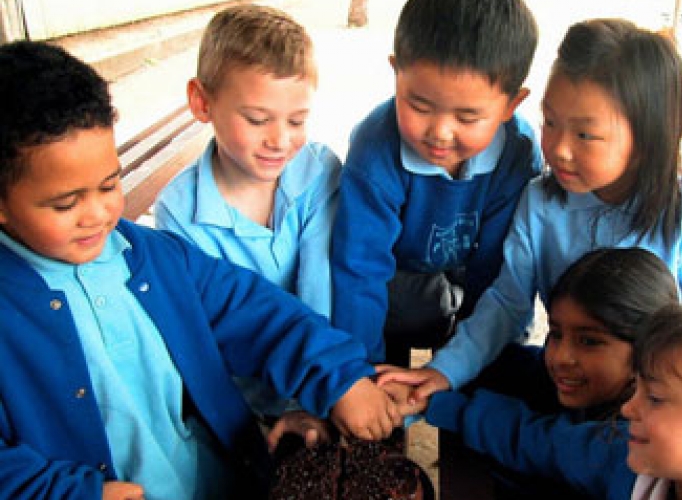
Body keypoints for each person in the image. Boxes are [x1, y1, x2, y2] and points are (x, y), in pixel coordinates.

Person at [0, 41, 400, 500]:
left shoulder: (148, 255)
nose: (97, 214)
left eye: (110, 184)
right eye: (66, 202)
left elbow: (256, 313)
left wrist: (338, 374)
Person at [379, 17, 682, 399]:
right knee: (495, 379)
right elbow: (507, 304)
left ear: (646, 138)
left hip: (651, 396)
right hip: (570, 382)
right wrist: (443, 372)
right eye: (550, 122)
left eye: (585, 134)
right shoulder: (541, 203)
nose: (558, 148)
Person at [423, 294, 682, 500]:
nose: (628, 408)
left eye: (656, 398)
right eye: (638, 387)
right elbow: (545, 443)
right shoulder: (633, 459)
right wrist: (435, 401)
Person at [153, 5, 340, 444]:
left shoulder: (318, 171)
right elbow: (210, 331)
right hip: (247, 402)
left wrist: (316, 400)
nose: (279, 139)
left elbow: (322, 293)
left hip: (326, 379)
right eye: (257, 120)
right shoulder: (178, 213)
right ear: (202, 102)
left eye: (297, 120)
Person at [329, 0, 543, 366]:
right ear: (396, 73)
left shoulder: (517, 152)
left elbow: (499, 268)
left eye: (468, 116)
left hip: (469, 272)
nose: (440, 133)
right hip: (396, 273)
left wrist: (468, 361)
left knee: (483, 370)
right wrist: (361, 377)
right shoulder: (376, 150)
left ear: (512, 104)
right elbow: (361, 271)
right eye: (420, 107)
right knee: (384, 362)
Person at [458, 247, 681, 498]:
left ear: (646, 352)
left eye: (588, 341)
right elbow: (527, 367)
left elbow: (542, 442)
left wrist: (448, 407)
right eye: (555, 334)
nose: (560, 357)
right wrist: (451, 371)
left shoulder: (630, 443)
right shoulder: (596, 386)